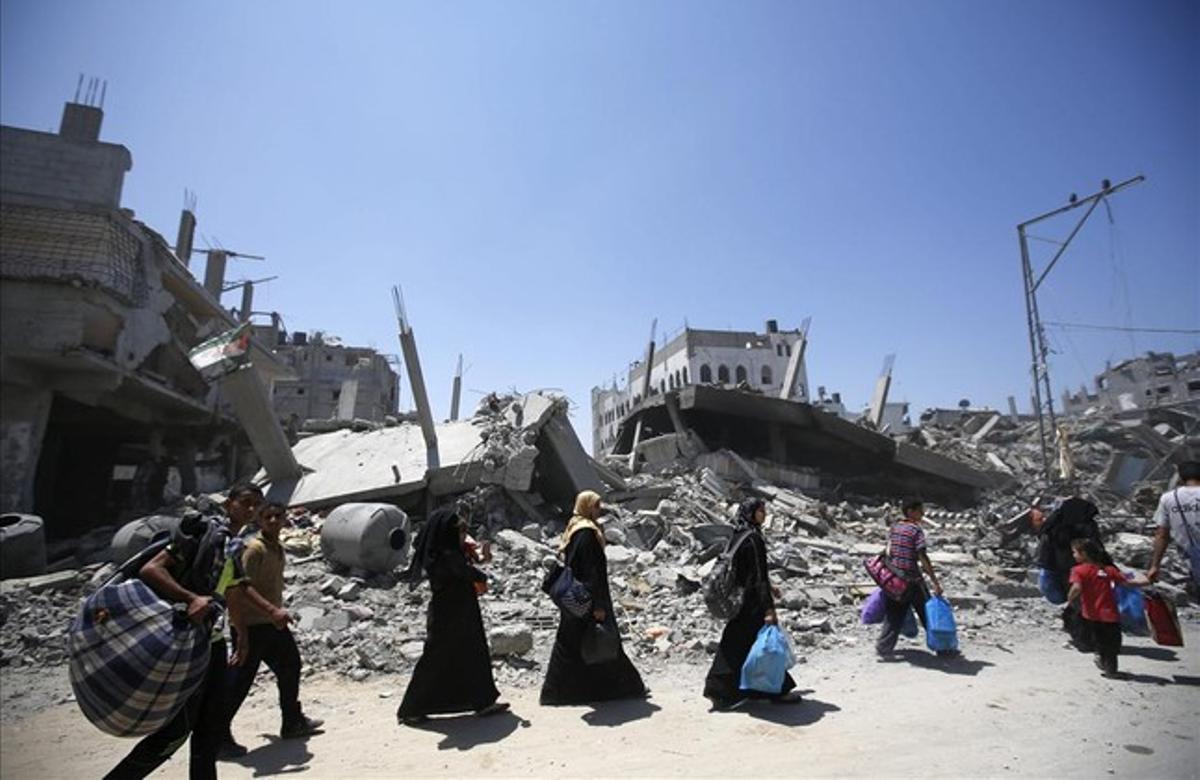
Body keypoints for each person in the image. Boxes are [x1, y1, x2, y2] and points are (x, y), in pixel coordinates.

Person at [104, 509, 252, 780]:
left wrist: (241, 634)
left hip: (214, 645)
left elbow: (231, 593)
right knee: (174, 732)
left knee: (210, 727)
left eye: (256, 505)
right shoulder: (199, 538)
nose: (250, 510)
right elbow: (152, 569)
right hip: (185, 644)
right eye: (245, 503)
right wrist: (191, 598)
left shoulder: (232, 549)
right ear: (231, 504)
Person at [223, 502, 323, 746]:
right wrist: (265, 614)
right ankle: (216, 734)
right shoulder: (254, 549)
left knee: (290, 666)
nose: (274, 521)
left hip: (272, 623)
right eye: (268, 517)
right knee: (240, 682)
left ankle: (292, 721)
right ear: (259, 521)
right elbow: (239, 587)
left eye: (278, 516)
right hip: (251, 624)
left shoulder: (276, 547)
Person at [396, 508, 509, 724]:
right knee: (436, 658)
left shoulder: (446, 551)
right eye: (458, 533)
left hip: (460, 611)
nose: (461, 537)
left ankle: (483, 701)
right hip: (449, 614)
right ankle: (411, 708)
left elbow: (465, 567)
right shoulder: (443, 555)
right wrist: (481, 573)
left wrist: (481, 560)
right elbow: (463, 571)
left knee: (472, 655)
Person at [540, 491, 647, 706]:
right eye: (596, 506)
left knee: (573, 644)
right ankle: (626, 687)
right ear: (587, 507)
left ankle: (557, 692)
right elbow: (592, 571)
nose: (600, 510)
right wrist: (597, 604)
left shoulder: (574, 527)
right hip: (589, 597)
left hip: (575, 597)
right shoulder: (587, 533)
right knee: (603, 639)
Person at [703, 498, 800, 711]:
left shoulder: (738, 535)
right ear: (751, 513)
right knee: (766, 646)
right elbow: (757, 579)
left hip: (739, 599)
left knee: (739, 644)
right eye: (760, 510)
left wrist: (770, 585)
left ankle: (724, 689)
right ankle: (776, 689)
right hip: (752, 603)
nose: (764, 514)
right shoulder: (754, 539)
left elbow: (749, 570)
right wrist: (769, 610)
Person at [876, 497, 948, 658]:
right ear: (910, 511)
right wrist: (935, 582)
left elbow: (889, 551)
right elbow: (922, 556)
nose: (923, 514)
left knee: (894, 614)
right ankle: (943, 648)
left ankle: (883, 648)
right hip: (913, 580)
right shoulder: (916, 530)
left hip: (895, 579)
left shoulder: (895, 527)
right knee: (928, 614)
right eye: (920, 510)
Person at [1035, 495, 1107, 651]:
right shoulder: (1086, 525)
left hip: (1060, 570)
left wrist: (1046, 567)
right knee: (1084, 604)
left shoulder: (1054, 523)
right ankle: (1085, 639)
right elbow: (1097, 548)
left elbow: (1043, 545)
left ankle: (1079, 635)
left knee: (1076, 603)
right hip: (1084, 571)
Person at [1067, 538, 1148, 677]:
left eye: (1075, 552)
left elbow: (1077, 587)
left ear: (1084, 554)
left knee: (1100, 641)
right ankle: (1110, 669)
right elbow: (1128, 583)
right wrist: (1147, 581)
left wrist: (1070, 599)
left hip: (1092, 615)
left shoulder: (1078, 571)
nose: (1073, 555)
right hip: (1111, 615)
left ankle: (1103, 661)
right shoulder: (1109, 570)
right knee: (1112, 643)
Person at [1146, 461, 1200, 593]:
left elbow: (1162, 535)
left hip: (1193, 559)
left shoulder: (1169, 498)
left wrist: (1155, 566)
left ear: (1181, 478)